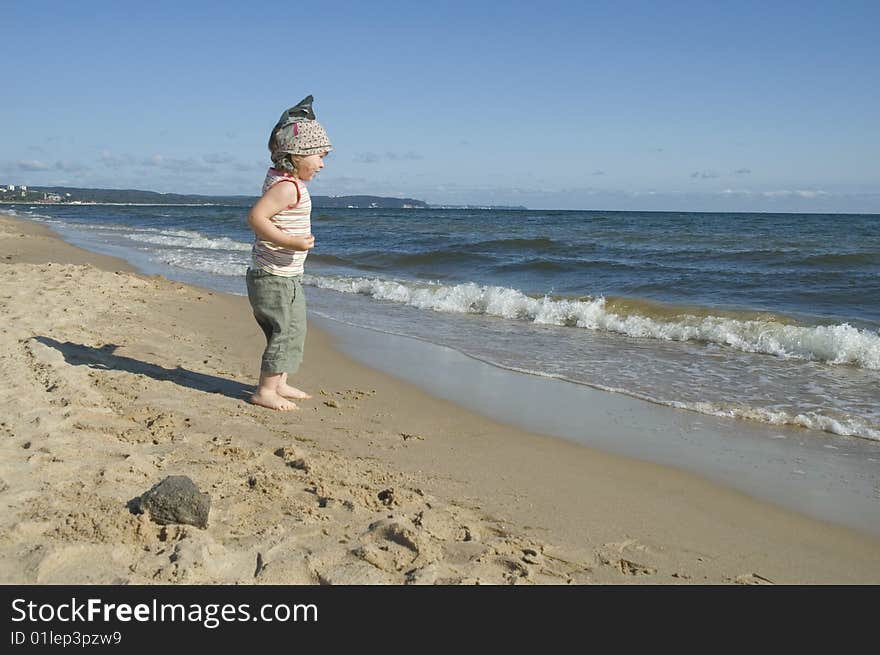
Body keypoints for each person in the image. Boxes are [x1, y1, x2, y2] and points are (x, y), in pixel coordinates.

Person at [245, 95, 332, 410]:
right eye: (319, 156)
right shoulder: (286, 187)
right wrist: (291, 242)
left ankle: (278, 382)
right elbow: (255, 218)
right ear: (296, 156)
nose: (322, 164)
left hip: (279, 274)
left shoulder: (284, 179)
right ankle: (265, 391)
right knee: (287, 331)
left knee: (288, 330)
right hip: (274, 276)